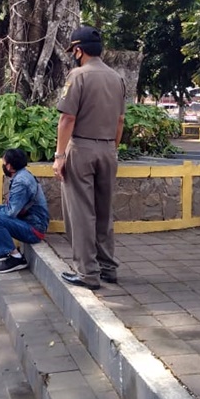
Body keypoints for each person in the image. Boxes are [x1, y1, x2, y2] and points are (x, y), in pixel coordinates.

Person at [53, 26, 126, 290]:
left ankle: (87, 272)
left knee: (81, 212)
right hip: (108, 149)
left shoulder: (78, 75)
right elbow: (120, 121)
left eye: (74, 51)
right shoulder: (116, 78)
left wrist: (60, 155)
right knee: (104, 211)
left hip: (81, 149)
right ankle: (108, 267)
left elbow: (67, 118)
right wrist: (111, 148)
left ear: (79, 50)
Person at [0, 148, 49, 273]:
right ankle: (4, 251)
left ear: (10, 166)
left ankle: (16, 258)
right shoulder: (21, 175)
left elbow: (11, 213)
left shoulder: (21, 182)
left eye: (3, 163)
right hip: (26, 222)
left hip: (34, 230)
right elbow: (12, 208)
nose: (2, 166)